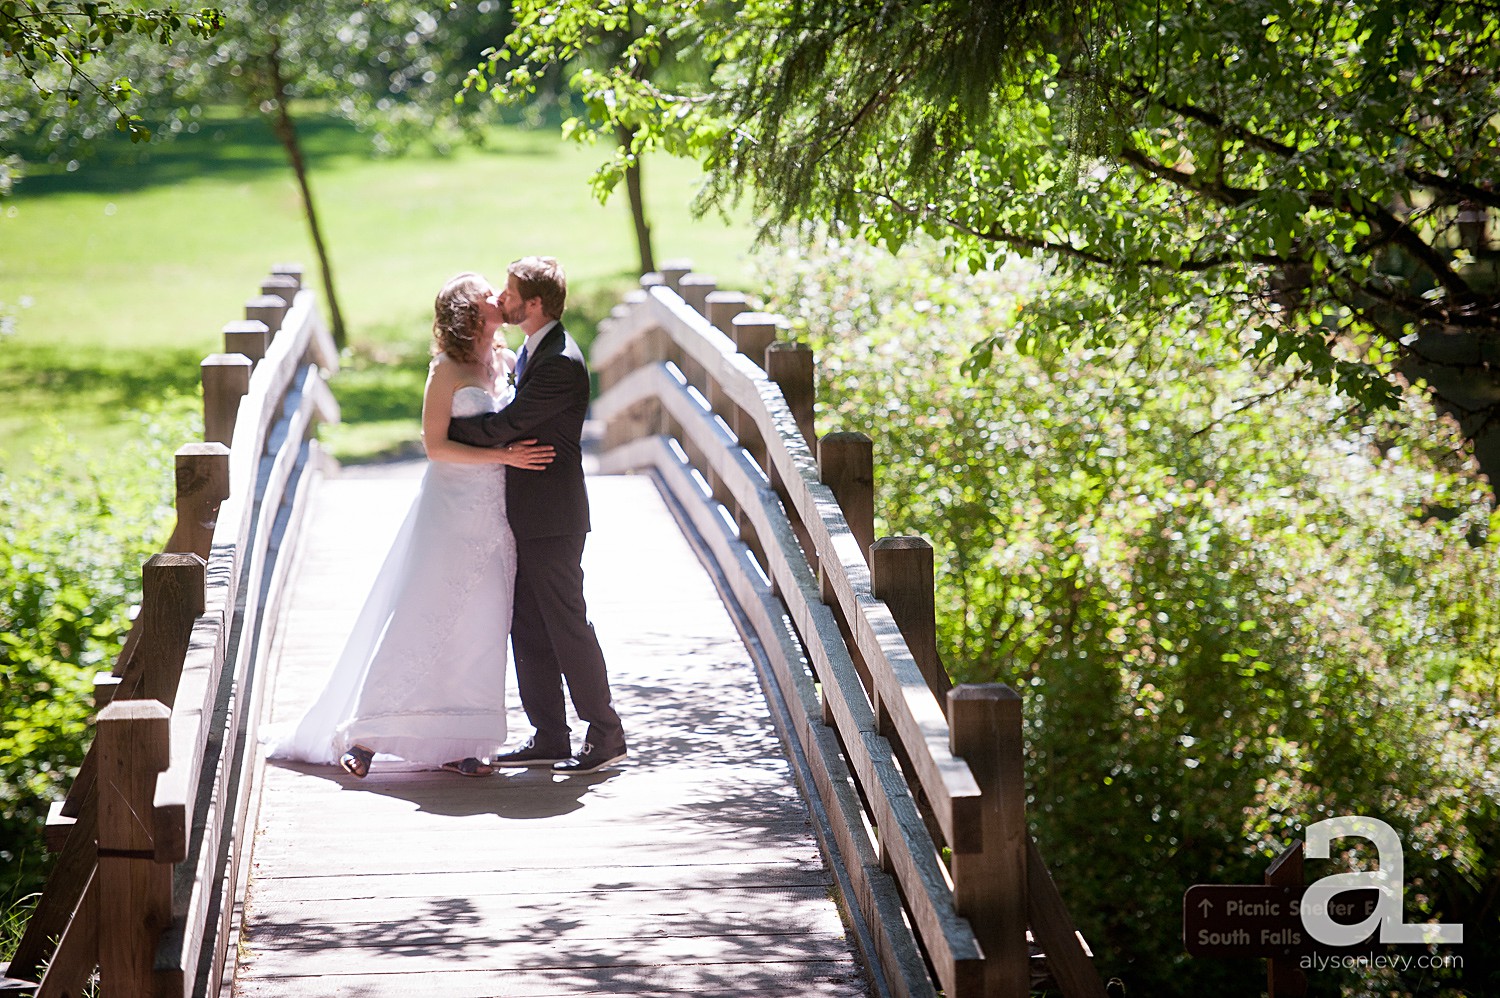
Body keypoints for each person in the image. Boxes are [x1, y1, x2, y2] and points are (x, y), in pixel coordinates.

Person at [264, 272, 554, 778]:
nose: (497, 298)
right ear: (468, 310)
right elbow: (436, 446)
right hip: (450, 509)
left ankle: (464, 743)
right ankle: (365, 735)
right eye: (488, 294)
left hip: (497, 517)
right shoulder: (446, 370)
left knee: (483, 626)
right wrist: (503, 455)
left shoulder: (506, 363)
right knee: (420, 616)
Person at [447, 256, 627, 775]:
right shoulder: (534, 350)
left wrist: (447, 436)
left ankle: (606, 732)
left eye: (509, 293)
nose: (501, 300)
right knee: (527, 627)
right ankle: (549, 733)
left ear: (535, 304)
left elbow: (509, 424)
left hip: (554, 518)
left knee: (567, 624)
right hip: (526, 516)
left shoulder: (559, 363)